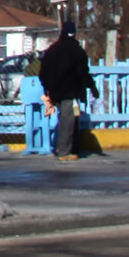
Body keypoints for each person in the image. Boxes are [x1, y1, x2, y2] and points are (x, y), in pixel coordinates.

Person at [39, 17, 98, 160]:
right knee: (68, 120)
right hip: (70, 92)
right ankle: (65, 151)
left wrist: (47, 88)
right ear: (74, 33)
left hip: (55, 91)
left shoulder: (52, 50)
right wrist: (92, 87)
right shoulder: (77, 51)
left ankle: (71, 148)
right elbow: (83, 72)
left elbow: (43, 72)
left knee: (66, 118)